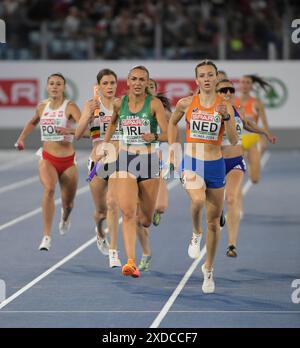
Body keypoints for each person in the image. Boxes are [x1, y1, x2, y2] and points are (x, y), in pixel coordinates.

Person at [168, 60, 238, 293]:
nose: (207, 78)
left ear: (217, 78)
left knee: (214, 223)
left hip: (215, 164)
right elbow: (172, 122)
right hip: (192, 159)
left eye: (211, 74)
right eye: (202, 75)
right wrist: (172, 147)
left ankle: (208, 270)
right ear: (197, 80)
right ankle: (195, 234)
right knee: (197, 200)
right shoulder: (186, 103)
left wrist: (226, 118)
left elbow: (234, 140)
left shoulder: (225, 106)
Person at [95, 66, 168, 278]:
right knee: (127, 212)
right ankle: (130, 262)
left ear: (147, 82)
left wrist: (153, 138)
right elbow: (112, 124)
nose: (137, 82)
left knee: (144, 220)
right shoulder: (120, 103)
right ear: (127, 81)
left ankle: (148, 213)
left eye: (142, 79)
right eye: (134, 79)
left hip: (148, 161)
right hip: (125, 160)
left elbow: (167, 134)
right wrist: (105, 146)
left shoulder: (154, 104)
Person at [15, 73, 81, 251]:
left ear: (64, 88)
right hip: (47, 157)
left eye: (59, 84)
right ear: (47, 87)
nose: (54, 87)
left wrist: (69, 130)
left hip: (67, 160)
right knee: (49, 189)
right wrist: (21, 139)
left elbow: (85, 128)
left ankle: (65, 217)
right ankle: (46, 236)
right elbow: (32, 122)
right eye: (51, 83)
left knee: (68, 204)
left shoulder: (71, 107)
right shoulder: (42, 106)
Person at [218, 78, 276, 257]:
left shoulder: (239, 109)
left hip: (235, 160)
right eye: (223, 90)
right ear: (217, 92)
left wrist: (264, 132)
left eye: (230, 90)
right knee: (216, 201)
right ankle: (218, 210)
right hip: (215, 162)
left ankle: (232, 244)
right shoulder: (209, 111)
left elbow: (248, 124)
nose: (228, 93)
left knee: (232, 198)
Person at [75, 69, 121, 268]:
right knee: (101, 211)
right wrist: (87, 114)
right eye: (106, 83)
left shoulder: (122, 104)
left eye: (112, 83)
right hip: (97, 162)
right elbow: (77, 134)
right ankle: (100, 232)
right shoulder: (91, 105)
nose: (109, 87)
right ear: (99, 86)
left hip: (119, 161)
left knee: (113, 204)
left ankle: (113, 251)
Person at [137, 78, 179, 272]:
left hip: (156, 160)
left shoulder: (165, 113)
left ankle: (154, 210)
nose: (148, 90)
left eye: (151, 87)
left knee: (160, 207)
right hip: (132, 161)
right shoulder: (131, 108)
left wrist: (172, 158)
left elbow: (173, 137)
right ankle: (146, 253)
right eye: (146, 87)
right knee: (137, 217)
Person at [235, 75, 271, 184]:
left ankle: (250, 163)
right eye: (242, 82)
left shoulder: (257, 103)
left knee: (255, 179)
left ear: (251, 86)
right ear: (239, 85)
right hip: (236, 141)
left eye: (247, 82)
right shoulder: (233, 102)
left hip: (252, 140)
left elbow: (264, 124)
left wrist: (264, 139)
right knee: (236, 179)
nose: (245, 85)